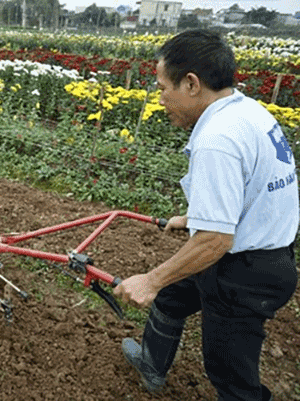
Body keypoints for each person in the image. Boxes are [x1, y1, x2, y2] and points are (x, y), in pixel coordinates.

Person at [113, 29, 298, 401]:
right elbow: (257, 185)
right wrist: (198, 217)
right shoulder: (247, 110)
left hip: (243, 273)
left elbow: (216, 240)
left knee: (229, 375)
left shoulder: (218, 139)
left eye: (164, 87)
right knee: (173, 296)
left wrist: (149, 280)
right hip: (261, 254)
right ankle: (152, 366)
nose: (160, 98)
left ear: (192, 83)